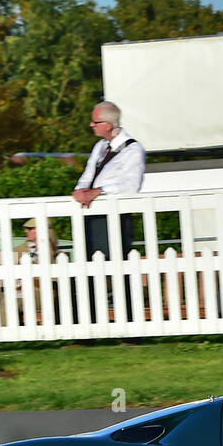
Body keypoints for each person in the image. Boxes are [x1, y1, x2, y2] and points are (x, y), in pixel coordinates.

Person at [73, 101, 145, 315]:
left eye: (95, 122)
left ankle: (130, 318)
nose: (91, 125)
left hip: (116, 217)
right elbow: (87, 175)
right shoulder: (100, 147)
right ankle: (90, 317)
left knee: (119, 267)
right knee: (90, 266)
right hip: (93, 215)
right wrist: (81, 190)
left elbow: (131, 186)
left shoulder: (133, 150)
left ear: (108, 124)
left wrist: (99, 191)